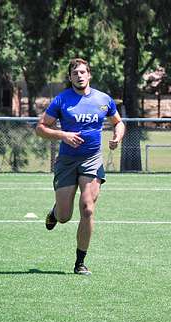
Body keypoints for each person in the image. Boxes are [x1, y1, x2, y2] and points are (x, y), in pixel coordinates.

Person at [36, 58, 125, 276]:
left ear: (89, 75)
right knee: (65, 216)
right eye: (75, 73)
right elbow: (40, 128)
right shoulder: (61, 100)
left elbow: (118, 122)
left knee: (87, 208)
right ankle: (55, 212)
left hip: (92, 159)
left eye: (83, 72)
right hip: (67, 161)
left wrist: (117, 137)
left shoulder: (103, 100)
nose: (79, 75)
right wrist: (62, 135)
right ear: (70, 77)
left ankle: (80, 262)